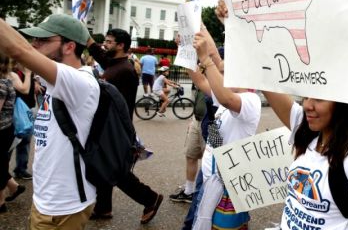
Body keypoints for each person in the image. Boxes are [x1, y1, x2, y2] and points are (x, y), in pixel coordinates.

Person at [215, 0, 348, 229]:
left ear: (343, 104)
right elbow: (263, 74)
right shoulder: (308, 131)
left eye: (319, 98)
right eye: (306, 97)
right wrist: (236, 25)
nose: (307, 105)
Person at [0, 14, 100, 229]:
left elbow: (19, 50)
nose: (34, 44)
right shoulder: (58, 82)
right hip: (47, 200)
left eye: (43, 40)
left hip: (63, 207)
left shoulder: (79, 82)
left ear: (69, 46)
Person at [187, 26, 261, 229]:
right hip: (210, 174)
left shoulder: (250, 100)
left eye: (223, 74)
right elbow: (201, 79)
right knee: (197, 220)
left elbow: (227, 99)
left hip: (228, 184)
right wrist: (186, 51)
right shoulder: (222, 101)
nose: (218, 78)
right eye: (219, 74)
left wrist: (207, 60)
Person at [87, 29, 163, 224]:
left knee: (116, 171)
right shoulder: (115, 64)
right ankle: (103, 207)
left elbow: (116, 104)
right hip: (108, 126)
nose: (105, 44)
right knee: (103, 164)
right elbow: (102, 57)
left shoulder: (125, 70)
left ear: (121, 45)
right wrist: (87, 40)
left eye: (109, 42)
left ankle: (151, 198)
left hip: (116, 129)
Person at [169, 89, 206, 203]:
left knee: (209, 162)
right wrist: (193, 118)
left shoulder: (219, 74)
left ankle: (206, 195)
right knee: (190, 155)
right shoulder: (203, 74)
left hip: (211, 123)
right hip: (197, 120)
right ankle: (189, 191)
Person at [0, 53, 26, 214]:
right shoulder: (6, 81)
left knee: (0, 164)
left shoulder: (2, 84)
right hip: (5, 129)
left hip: (2, 130)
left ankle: (1, 202)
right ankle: (14, 187)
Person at [9, 62, 34, 179]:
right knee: (10, 143)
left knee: (25, 141)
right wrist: (28, 74)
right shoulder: (12, 73)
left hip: (27, 110)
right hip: (15, 113)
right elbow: (24, 89)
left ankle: (21, 169)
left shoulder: (28, 72)